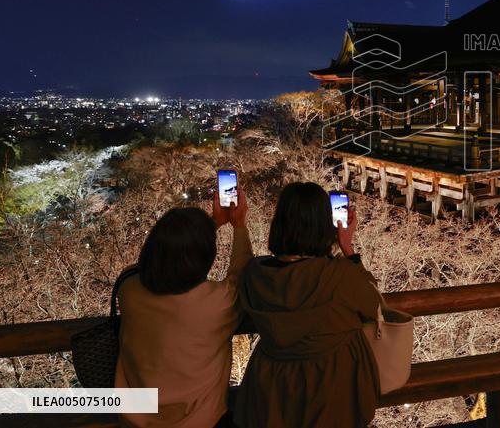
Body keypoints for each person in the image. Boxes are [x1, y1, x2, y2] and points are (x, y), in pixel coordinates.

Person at [235, 182, 381, 428]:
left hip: (272, 389)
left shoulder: (256, 275)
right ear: (324, 227)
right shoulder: (339, 276)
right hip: (333, 388)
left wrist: (238, 225)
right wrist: (347, 248)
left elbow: (240, 268)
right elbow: (373, 304)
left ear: (279, 223)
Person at [116, 193, 253, 428]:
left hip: (136, 419)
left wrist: (212, 224)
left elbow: (163, 258)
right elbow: (242, 273)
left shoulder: (129, 288)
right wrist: (238, 225)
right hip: (201, 420)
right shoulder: (216, 303)